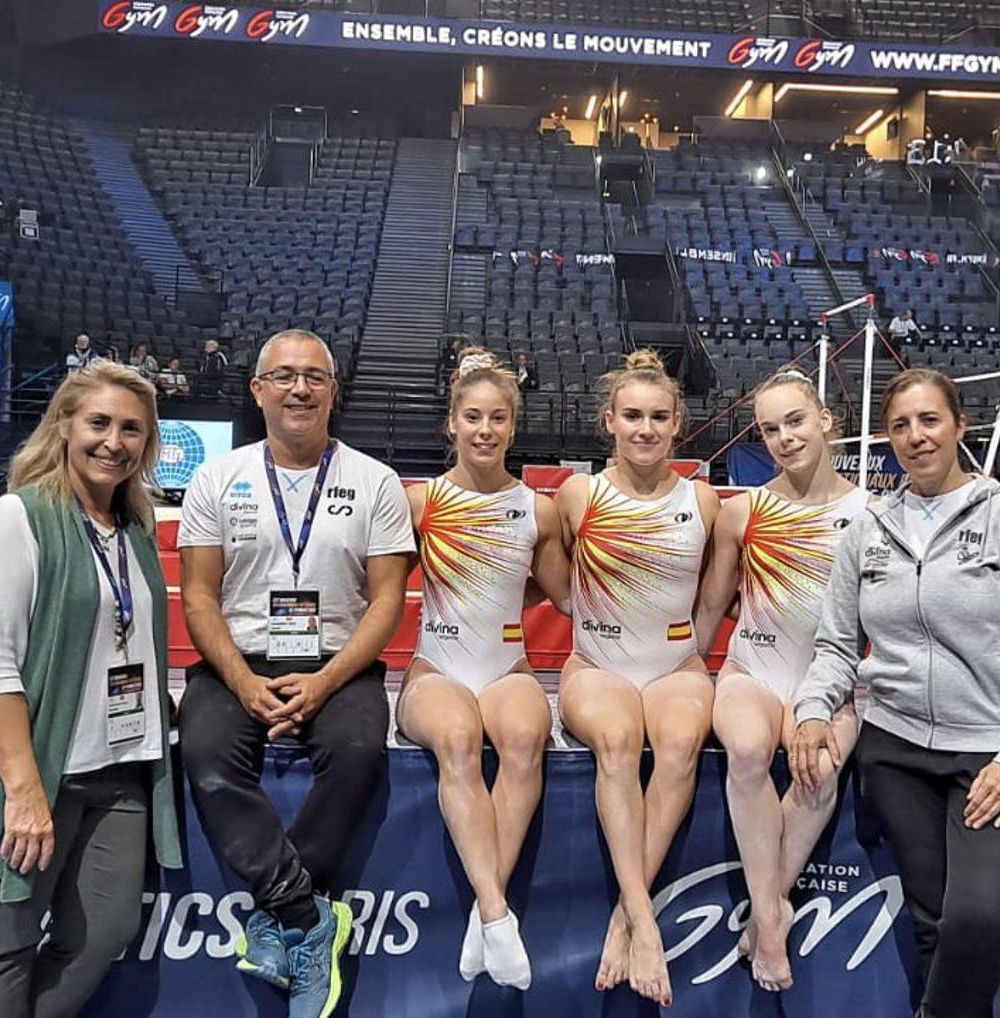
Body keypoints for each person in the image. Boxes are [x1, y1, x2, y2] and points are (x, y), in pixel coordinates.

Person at [791, 367, 1000, 1018]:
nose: (916, 437)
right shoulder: (868, 530)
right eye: (900, 426)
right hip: (895, 751)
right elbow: (836, 645)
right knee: (934, 918)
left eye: (929, 420)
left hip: (992, 753)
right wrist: (811, 711)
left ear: (959, 426)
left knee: (975, 918)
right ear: (887, 439)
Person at [0, 361, 182, 1017]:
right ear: (64, 424)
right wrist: (25, 792)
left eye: (131, 430)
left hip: (117, 772)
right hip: (31, 775)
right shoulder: (19, 518)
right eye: (98, 422)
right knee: (1, 949)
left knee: (104, 934)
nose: (113, 442)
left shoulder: (134, 529)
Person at [176, 328, 414, 1017]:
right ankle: (307, 916)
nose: (300, 389)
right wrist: (243, 682)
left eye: (314, 377)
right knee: (204, 751)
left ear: (334, 391)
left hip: (339, 663)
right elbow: (198, 595)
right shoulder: (217, 478)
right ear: (258, 390)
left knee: (359, 750)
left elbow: (388, 600)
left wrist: (327, 679)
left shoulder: (374, 482)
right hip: (237, 659)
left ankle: (282, 913)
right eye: (283, 376)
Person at [693, 369, 870, 992]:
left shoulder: (870, 514)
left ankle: (765, 911)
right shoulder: (744, 513)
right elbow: (713, 605)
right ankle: (771, 925)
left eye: (795, 421)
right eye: (770, 429)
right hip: (752, 671)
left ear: (824, 420)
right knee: (745, 749)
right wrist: (687, 667)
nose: (784, 438)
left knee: (818, 770)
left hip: (826, 684)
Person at [555, 349, 721, 1008]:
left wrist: (691, 656)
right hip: (597, 665)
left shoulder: (702, 501)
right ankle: (645, 924)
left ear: (678, 423)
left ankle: (626, 917)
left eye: (657, 417)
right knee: (619, 743)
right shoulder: (579, 495)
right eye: (632, 416)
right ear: (610, 421)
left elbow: (712, 598)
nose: (644, 429)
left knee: (679, 746)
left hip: (675, 666)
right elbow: (558, 580)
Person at [399, 350, 570, 990]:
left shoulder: (537, 509)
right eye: (473, 417)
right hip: (435, 666)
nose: (485, 430)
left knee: (526, 739)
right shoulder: (420, 503)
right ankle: (498, 912)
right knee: (459, 739)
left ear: (512, 426)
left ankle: (483, 917)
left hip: (507, 668)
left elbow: (562, 596)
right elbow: (380, 593)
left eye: (498, 418)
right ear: (451, 423)